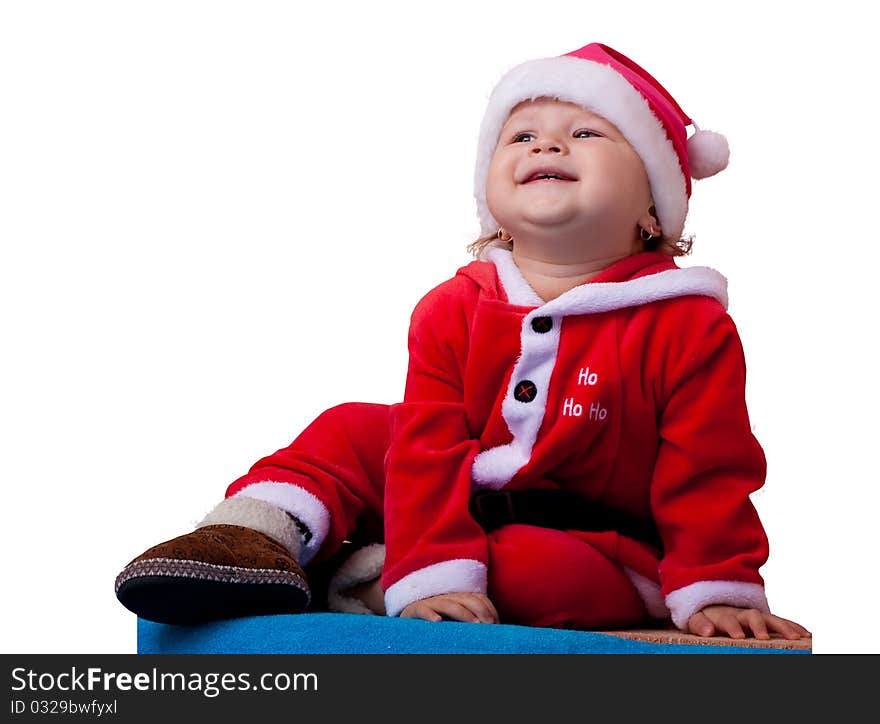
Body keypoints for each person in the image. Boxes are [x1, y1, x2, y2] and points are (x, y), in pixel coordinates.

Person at [116, 41, 811, 641]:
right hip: (449, 494)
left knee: (550, 578)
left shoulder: (687, 325)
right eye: (522, 136)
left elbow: (709, 470)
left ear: (654, 209)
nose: (547, 144)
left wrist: (717, 587)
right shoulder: (453, 307)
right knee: (355, 429)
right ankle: (253, 539)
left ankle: (360, 574)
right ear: (495, 205)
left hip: (590, 539)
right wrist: (435, 568)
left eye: (589, 134)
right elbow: (427, 448)